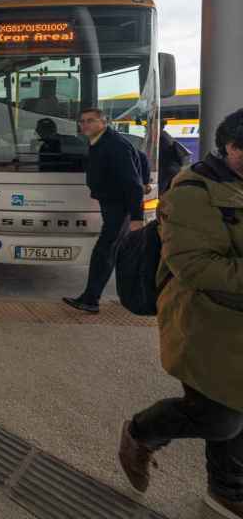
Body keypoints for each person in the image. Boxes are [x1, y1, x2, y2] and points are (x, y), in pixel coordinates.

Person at [117, 109, 243, 518]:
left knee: (237, 414)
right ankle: (140, 432)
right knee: (220, 417)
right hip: (207, 323)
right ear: (229, 147)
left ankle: (227, 492)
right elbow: (195, 266)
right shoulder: (191, 192)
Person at [62, 108, 144, 314]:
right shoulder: (102, 141)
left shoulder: (113, 145)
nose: (85, 125)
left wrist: (137, 217)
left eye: (90, 121)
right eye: (82, 121)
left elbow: (133, 184)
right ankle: (95, 298)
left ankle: (91, 299)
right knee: (111, 251)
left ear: (103, 122)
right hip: (113, 204)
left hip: (119, 206)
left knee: (105, 251)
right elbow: (140, 157)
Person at [158, 121, 191, 195]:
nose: (145, 129)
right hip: (171, 168)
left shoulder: (161, 138)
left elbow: (162, 157)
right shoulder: (165, 136)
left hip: (167, 169)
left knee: (161, 192)